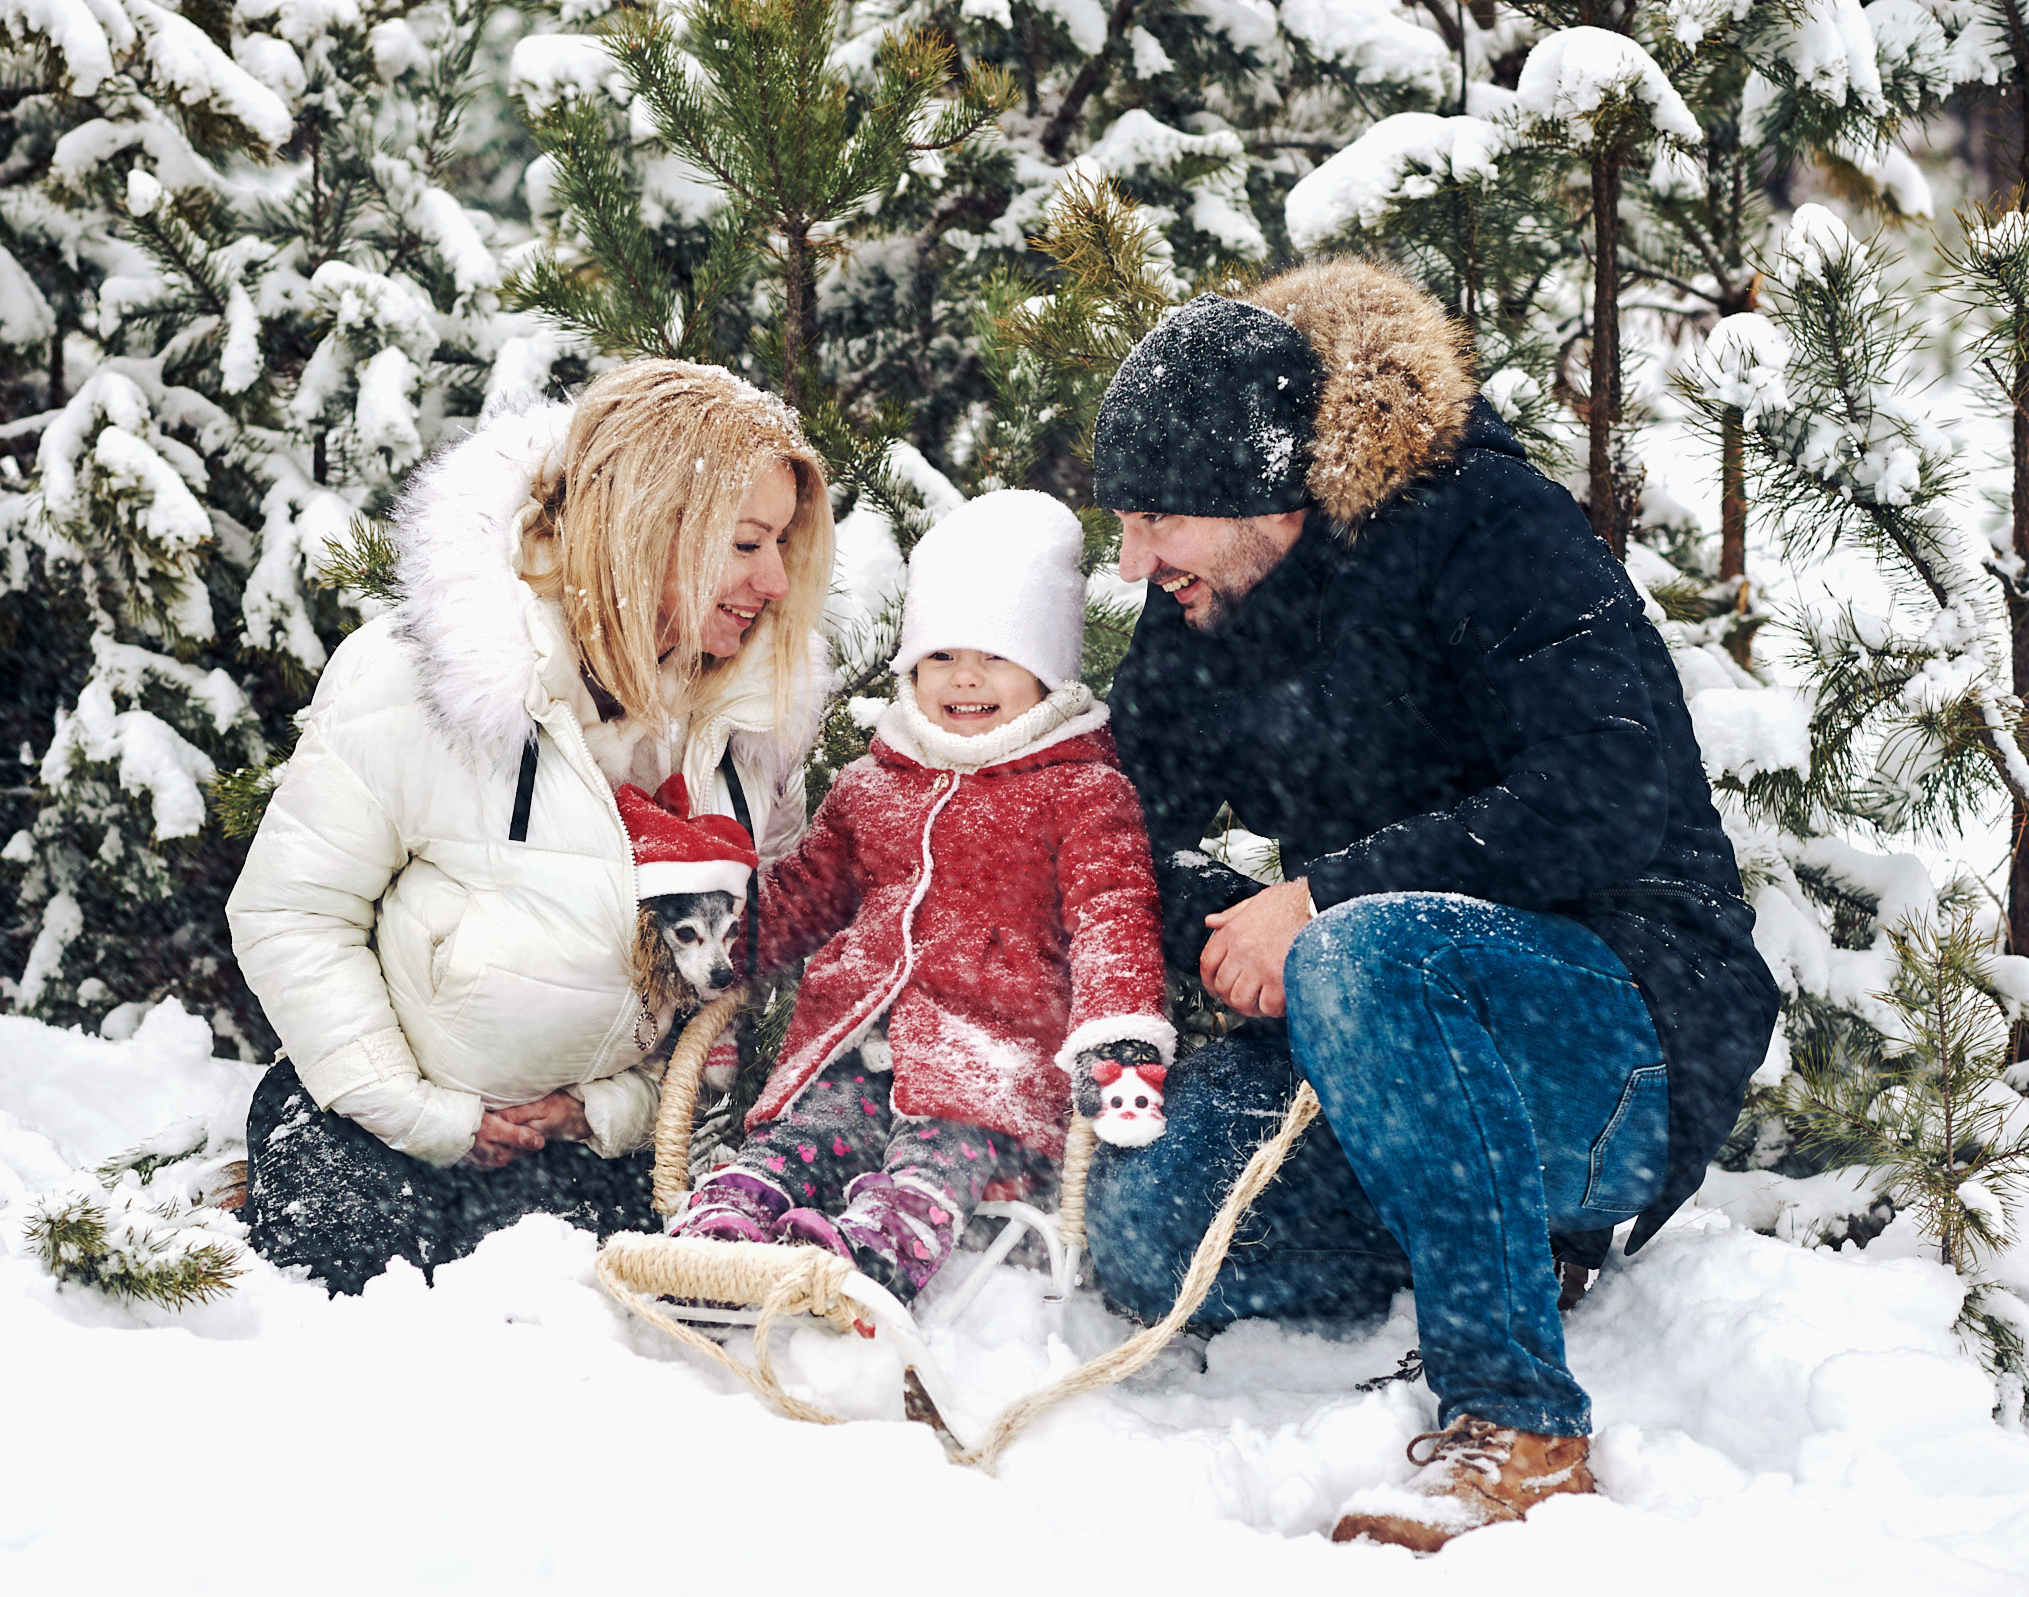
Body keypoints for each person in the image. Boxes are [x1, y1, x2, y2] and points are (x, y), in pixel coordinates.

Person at [1086, 261, 1780, 1551]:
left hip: (1621, 1039)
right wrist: (1227, 930)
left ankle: (1517, 1420)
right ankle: (1483, 1222)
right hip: (1387, 1038)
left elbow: (1610, 794)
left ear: (1262, 496)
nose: (1133, 558)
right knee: (1143, 1226)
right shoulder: (1204, 596)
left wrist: (1317, 903)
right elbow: (1122, 820)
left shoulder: (1489, 523)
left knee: (1366, 947)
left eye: (1151, 518)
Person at [226, 361, 834, 1295]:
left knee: (597, 1321)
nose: (775, 579)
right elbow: (292, 914)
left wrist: (604, 1111)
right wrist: (425, 1114)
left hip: (589, 1148)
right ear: (646, 527)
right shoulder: (422, 681)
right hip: (374, 1128)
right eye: (745, 542)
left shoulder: (745, 732)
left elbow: (741, 977)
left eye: (783, 543)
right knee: (352, 1294)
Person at [668, 491, 1174, 1301]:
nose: (964, 676)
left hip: (994, 1059)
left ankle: (871, 1256)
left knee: (938, 1150)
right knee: (807, 1132)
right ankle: (726, 1222)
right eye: (941, 656)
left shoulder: (1082, 791)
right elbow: (809, 890)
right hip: (855, 1046)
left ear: (1047, 669)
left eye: (996, 655)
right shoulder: (873, 784)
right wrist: (726, 940)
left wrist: (1123, 1051)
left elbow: (1114, 916)